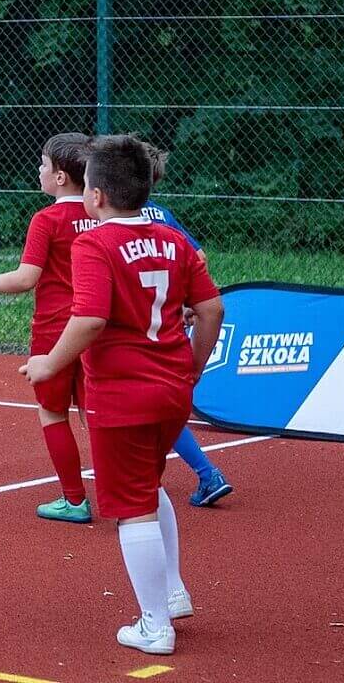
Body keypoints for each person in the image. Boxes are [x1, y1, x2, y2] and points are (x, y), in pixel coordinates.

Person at [25, 135, 225, 657]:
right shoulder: (174, 240)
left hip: (122, 392)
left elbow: (89, 318)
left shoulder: (95, 243)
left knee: (132, 506)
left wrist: (50, 361)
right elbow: (212, 311)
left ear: (95, 195)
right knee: (149, 487)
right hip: (171, 387)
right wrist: (194, 366)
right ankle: (173, 593)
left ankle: (154, 625)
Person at [0, 132, 96, 523]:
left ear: (59, 178)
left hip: (53, 330)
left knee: (52, 412)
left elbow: (25, 279)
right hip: (95, 328)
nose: (38, 170)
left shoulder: (47, 219)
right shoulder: (102, 215)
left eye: (43, 164)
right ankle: (127, 492)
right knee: (97, 414)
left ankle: (74, 500)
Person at [140, 143, 233, 508]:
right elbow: (199, 257)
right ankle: (197, 475)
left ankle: (205, 473)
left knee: (150, 406)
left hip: (140, 329)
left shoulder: (115, 220)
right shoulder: (163, 214)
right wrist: (186, 299)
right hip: (169, 322)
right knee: (162, 404)